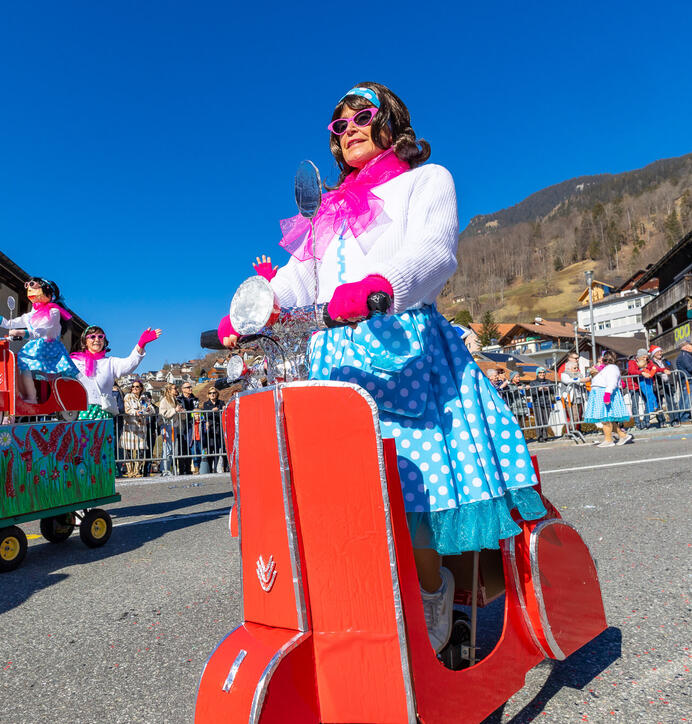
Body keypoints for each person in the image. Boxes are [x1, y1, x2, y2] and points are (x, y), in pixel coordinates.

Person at [218, 82, 546, 654]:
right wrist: (253, 312)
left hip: (406, 353)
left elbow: (435, 251)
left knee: (414, 491)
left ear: (390, 122)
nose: (347, 130)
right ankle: (357, 606)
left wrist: (379, 288)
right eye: (337, 126)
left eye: (360, 117)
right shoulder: (329, 211)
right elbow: (297, 279)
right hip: (336, 366)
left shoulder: (426, 180)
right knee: (340, 493)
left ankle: (434, 595)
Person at [0, 278, 79, 404]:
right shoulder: (31, 314)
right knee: (20, 365)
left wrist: (22, 333)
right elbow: (11, 323)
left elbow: (41, 331)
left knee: (36, 369)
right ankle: (24, 395)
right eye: (28, 286)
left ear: (49, 293)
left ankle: (35, 398)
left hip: (50, 348)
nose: (30, 289)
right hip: (34, 347)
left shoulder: (53, 311)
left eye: (34, 286)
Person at [70, 325, 162, 418]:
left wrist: (141, 344)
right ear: (85, 341)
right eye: (92, 337)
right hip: (78, 413)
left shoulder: (110, 362)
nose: (97, 339)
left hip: (103, 413)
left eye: (100, 336)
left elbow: (129, 364)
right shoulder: (74, 361)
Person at [584, 351, 633, 447]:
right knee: (607, 418)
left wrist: (607, 394)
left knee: (605, 419)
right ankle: (622, 435)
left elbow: (612, 382)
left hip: (603, 392)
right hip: (599, 392)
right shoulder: (607, 368)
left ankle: (608, 440)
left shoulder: (612, 368)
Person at [119, 380, 152, 477]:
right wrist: (136, 412)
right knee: (128, 450)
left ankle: (137, 470)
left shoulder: (144, 398)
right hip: (130, 427)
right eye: (133, 386)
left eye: (137, 386)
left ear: (141, 388)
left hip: (141, 428)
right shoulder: (128, 396)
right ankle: (130, 471)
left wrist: (144, 412)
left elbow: (151, 409)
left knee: (141, 450)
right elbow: (127, 409)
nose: (135, 388)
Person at [626, 349, 659, 429]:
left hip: (643, 385)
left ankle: (646, 421)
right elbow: (632, 371)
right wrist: (641, 372)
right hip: (634, 386)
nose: (645, 359)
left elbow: (655, 367)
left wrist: (663, 369)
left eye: (646, 357)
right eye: (643, 357)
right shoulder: (631, 362)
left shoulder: (648, 361)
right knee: (635, 405)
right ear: (639, 357)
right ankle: (637, 423)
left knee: (648, 401)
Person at [201, 387, 228, 473]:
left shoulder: (221, 402)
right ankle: (209, 469)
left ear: (217, 394)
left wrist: (219, 410)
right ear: (208, 395)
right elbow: (205, 414)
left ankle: (218, 468)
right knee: (210, 449)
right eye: (210, 393)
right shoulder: (206, 404)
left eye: (214, 393)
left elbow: (223, 411)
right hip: (210, 430)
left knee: (220, 449)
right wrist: (213, 411)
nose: (212, 394)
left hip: (219, 428)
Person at [177, 382, 202, 474]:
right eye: (187, 387)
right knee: (182, 448)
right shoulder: (179, 399)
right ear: (183, 389)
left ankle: (189, 468)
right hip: (182, 425)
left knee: (191, 447)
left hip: (193, 425)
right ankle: (181, 469)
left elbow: (197, 410)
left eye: (190, 387)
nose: (190, 389)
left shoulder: (195, 399)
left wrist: (197, 412)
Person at [157, 383, 181, 476]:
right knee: (167, 448)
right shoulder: (164, 401)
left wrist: (180, 411)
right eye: (174, 388)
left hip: (174, 426)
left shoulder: (176, 400)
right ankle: (164, 469)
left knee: (171, 450)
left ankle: (168, 468)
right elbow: (163, 413)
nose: (176, 390)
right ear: (169, 390)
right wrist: (174, 410)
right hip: (166, 426)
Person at [649, 346, 677, 426]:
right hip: (658, 385)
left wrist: (673, 382)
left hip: (667, 383)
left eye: (660, 351)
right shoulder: (651, 362)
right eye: (657, 352)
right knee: (659, 404)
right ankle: (662, 421)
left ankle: (674, 420)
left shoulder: (666, 360)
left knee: (671, 402)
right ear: (653, 354)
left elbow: (671, 370)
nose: (660, 353)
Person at [675, 341, 692, 422]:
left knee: (685, 399)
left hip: (688, 380)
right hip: (688, 380)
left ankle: (683, 417)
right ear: (685, 347)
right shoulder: (685, 355)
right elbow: (690, 367)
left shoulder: (687, 355)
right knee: (687, 399)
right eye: (691, 345)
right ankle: (684, 418)